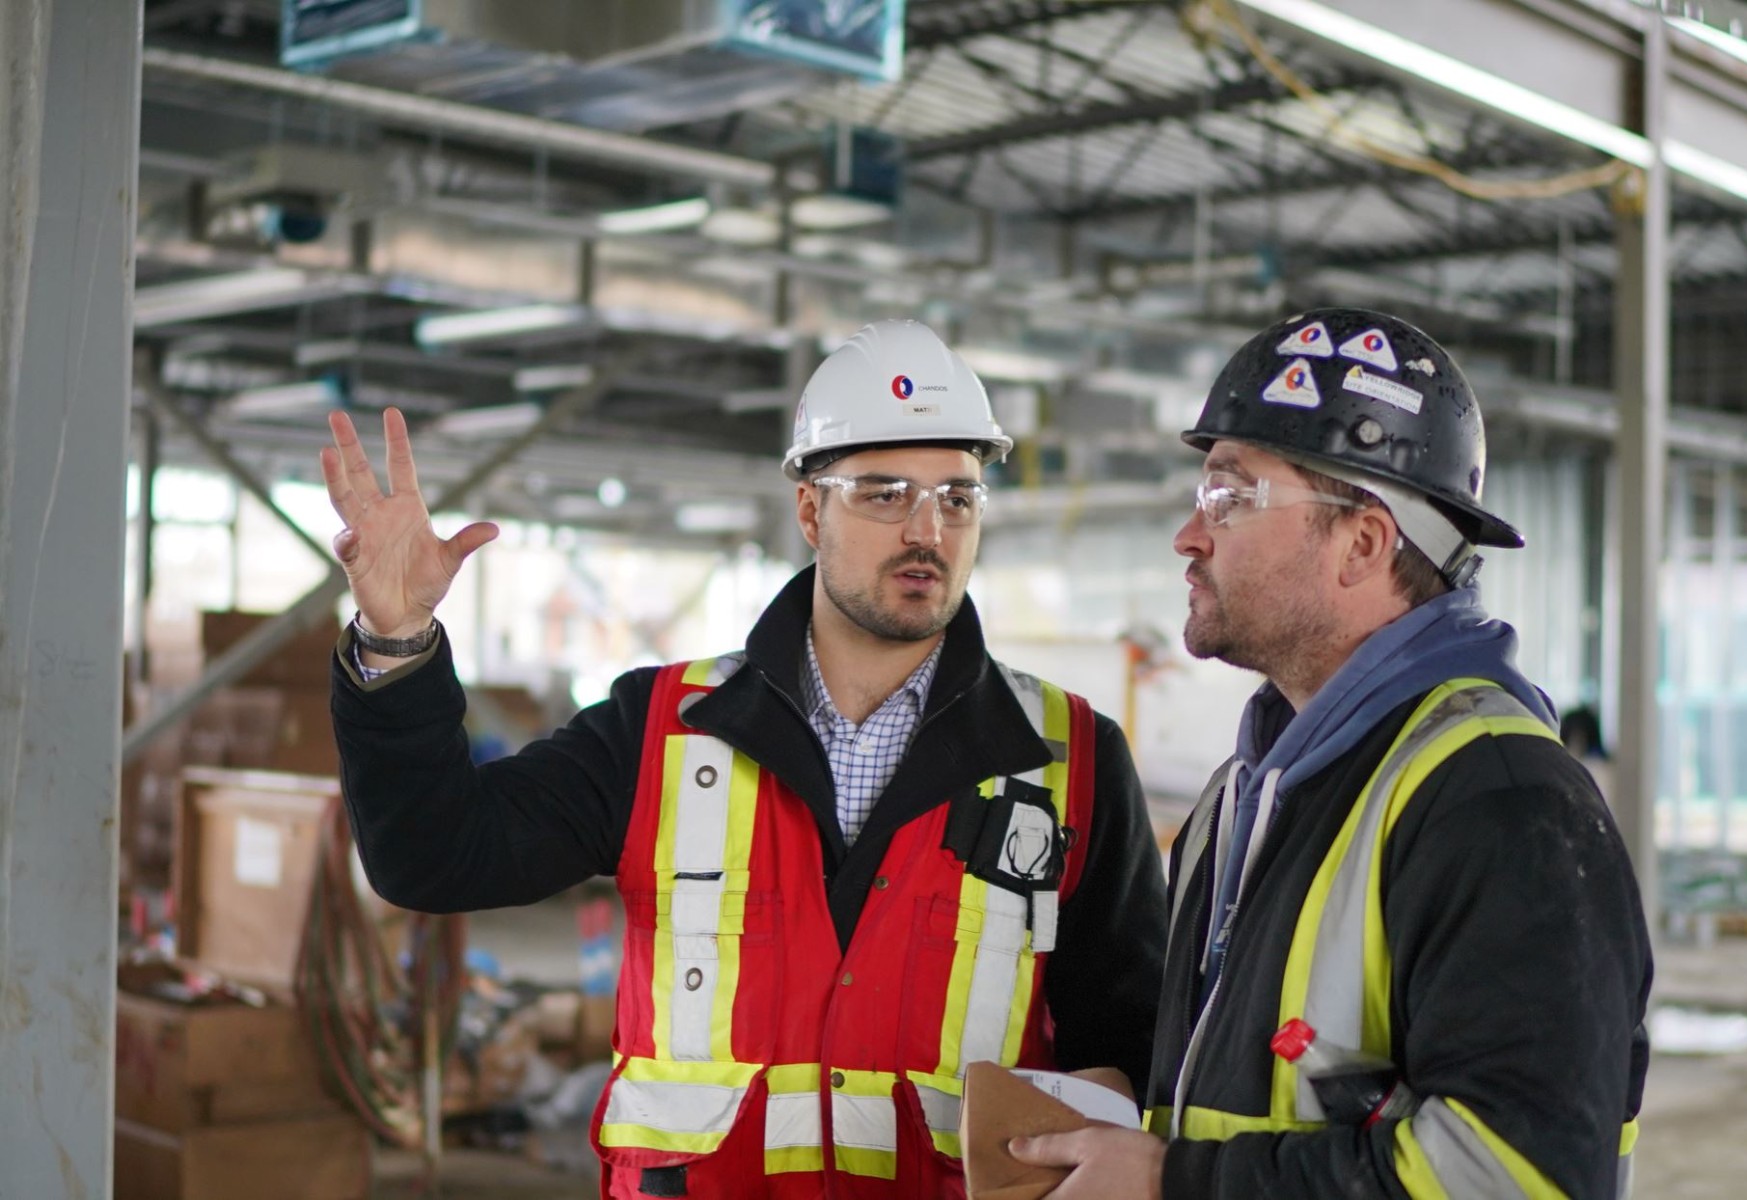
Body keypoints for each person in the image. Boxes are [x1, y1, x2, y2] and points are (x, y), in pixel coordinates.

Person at [319, 319, 1168, 1199]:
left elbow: (1134, 1042)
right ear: (809, 510)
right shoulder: (660, 726)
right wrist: (397, 637)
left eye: (958, 497)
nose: (929, 531)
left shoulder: (1070, 758)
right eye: (884, 494)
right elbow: (433, 855)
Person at [1011, 308, 1652, 1198]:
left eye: (1231, 497)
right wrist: (1141, 1113)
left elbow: (1516, 1174)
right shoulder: (1237, 802)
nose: (1189, 537)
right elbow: (1252, 1106)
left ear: (1363, 544)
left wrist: (1175, 1182)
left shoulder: (1502, 804)